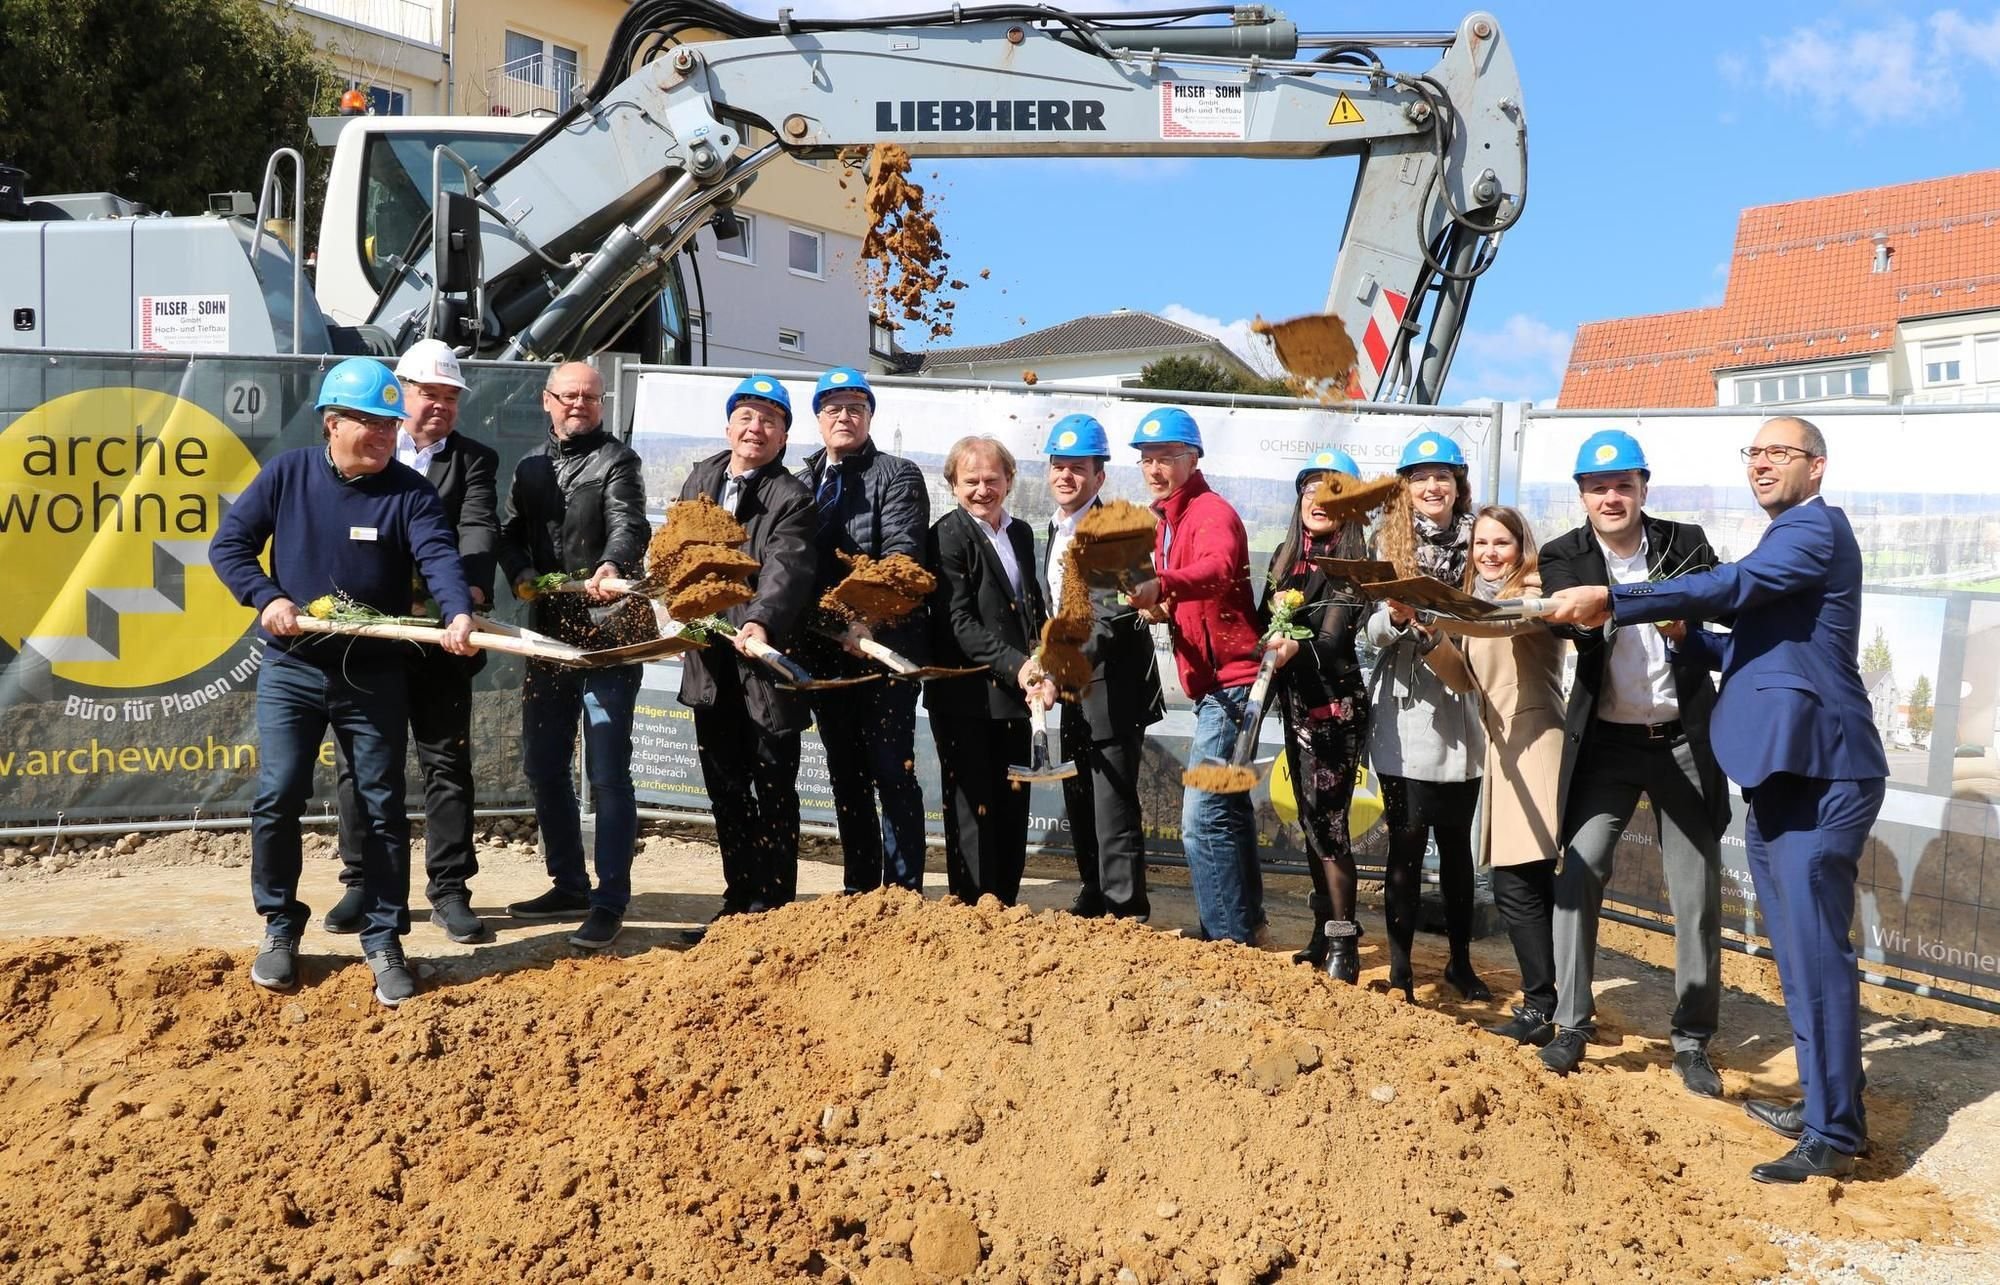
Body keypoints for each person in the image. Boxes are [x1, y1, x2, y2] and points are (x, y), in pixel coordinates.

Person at [1545, 416, 1888, 1184]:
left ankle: (1834, 1132)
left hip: (1822, 772)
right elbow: (1743, 646)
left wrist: (1621, 597)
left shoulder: (1813, 532)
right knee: (1798, 956)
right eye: (1755, 452)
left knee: (1815, 954)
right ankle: (1829, 1100)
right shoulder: (1786, 541)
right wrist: (1682, 633)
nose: (1763, 463)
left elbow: (1731, 587)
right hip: (1781, 774)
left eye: (1781, 452)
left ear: (1818, 466)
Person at [210, 357, 476, 1008]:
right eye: (371, 423)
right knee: (278, 796)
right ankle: (279, 924)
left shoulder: (408, 494)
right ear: (332, 423)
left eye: (391, 423)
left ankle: (385, 938)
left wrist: (457, 611)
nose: (387, 435)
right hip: (293, 669)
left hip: (373, 674)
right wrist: (266, 596)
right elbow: (230, 547)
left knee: (384, 805)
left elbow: (438, 555)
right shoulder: (287, 475)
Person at [1534, 429, 1728, 1096]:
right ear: (1582, 495)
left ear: (1644, 487)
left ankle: (1693, 1039)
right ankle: (1570, 1022)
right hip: (1609, 744)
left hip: (1682, 739)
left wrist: (1689, 628)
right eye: (1598, 486)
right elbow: (1572, 621)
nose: (1611, 496)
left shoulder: (1687, 542)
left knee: (1698, 892)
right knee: (1578, 871)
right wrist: (1603, 614)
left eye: (1623, 485)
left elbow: (1714, 615)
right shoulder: (1563, 553)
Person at [324, 339, 498, 946]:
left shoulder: (474, 462)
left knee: (446, 763)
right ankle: (361, 882)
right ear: (402, 393)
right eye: (430, 395)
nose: (441, 407)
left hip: (441, 639)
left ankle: (450, 889)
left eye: (451, 398)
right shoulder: (365, 453)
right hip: (368, 642)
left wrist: (468, 593)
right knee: (360, 765)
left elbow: (476, 526)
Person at [497, 361, 651, 951]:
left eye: (590, 396)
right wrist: (521, 573)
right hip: (549, 634)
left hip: (609, 630)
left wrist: (613, 566)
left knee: (608, 773)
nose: (579, 404)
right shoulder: (531, 468)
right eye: (569, 396)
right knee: (543, 763)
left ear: (601, 402)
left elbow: (627, 524)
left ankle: (610, 900)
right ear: (548, 401)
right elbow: (510, 533)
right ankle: (568, 882)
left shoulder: (618, 462)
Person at [679, 375, 817, 933]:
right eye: (747, 416)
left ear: (784, 435)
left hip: (762, 666)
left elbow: (787, 569)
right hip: (710, 666)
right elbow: (680, 552)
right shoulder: (702, 477)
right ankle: (737, 906)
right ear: (729, 424)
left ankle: (775, 910)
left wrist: (760, 621)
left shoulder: (792, 496)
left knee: (774, 789)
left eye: (769, 420)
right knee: (727, 790)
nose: (755, 428)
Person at [1126, 407, 1267, 945]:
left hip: (1233, 685)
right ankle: (1245, 924)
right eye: (1148, 460)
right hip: (1218, 683)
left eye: (1167, 458)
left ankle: (1226, 941)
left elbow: (1217, 570)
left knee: (1201, 817)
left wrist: (1162, 585)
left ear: (1194, 458)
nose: (1156, 468)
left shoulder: (1209, 513)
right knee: (1228, 810)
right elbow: (1199, 597)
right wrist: (1163, 607)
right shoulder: (1170, 519)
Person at [1426, 505, 1567, 1044]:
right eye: (1480, 543)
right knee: (1522, 884)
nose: (1488, 553)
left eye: (1500, 543)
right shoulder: (1479, 600)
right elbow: (1464, 679)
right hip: (1504, 749)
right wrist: (1426, 636)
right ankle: (1552, 999)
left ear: (1521, 545)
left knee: (1519, 884)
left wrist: (1433, 611)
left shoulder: (1533, 589)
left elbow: (1499, 623)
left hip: (1536, 744)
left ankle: (1543, 1004)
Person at [794, 366, 931, 894]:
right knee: (845, 773)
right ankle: (858, 890)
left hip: (884, 646)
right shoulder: (803, 480)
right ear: (819, 419)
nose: (844, 416)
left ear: (870, 416)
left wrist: (865, 621)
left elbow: (901, 556)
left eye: (855, 407)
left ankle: (902, 894)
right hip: (825, 649)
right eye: (833, 408)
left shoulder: (896, 474)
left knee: (891, 771)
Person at [1367, 430, 1487, 1002]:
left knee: (1458, 848)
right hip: (1405, 719)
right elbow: (1368, 635)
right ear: (1404, 488)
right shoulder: (1383, 547)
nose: (1433, 486)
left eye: (1443, 476)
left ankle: (1461, 963)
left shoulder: (1482, 542)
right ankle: (1400, 970)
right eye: (1421, 477)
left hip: (1462, 711)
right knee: (1406, 847)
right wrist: (1394, 617)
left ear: (1458, 483)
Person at [1042, 414, 1165, 921]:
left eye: (1078, 468)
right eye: (1058, 467)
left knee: (1112, 805)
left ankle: (1126, 909)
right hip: (1071, 685)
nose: (1065, 477)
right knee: (1079, 797)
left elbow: (1111, 617)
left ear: (1099, 477)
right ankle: (1094, 891)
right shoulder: (1055, 527)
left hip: (1111, 690)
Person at [925, 435, 1053, 906]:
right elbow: (958, 623)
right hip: (965, 699)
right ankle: (974, 911)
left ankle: (1006, 909)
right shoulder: (946, 536)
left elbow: (1031, 605)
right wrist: (1018, 666)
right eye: (971, 481)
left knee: (1012, 805)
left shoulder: (1020, 532)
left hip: (1016, 696)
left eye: (992, 480)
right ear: (954, 485)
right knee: (971, 809)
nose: (983, 489)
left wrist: (1042, 658)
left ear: (1009, 481)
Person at [1261, 450, 1371, 979]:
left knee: (1329, 823)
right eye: (1311, 489)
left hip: (1335, 710)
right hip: (1295, 706)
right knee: (1309, 818)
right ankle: (1321, 929)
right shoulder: (1285, 556)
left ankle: (1344, 946)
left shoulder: (1352, 567)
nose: (1319, 501)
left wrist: (1289, 651)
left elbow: (1329, 644)